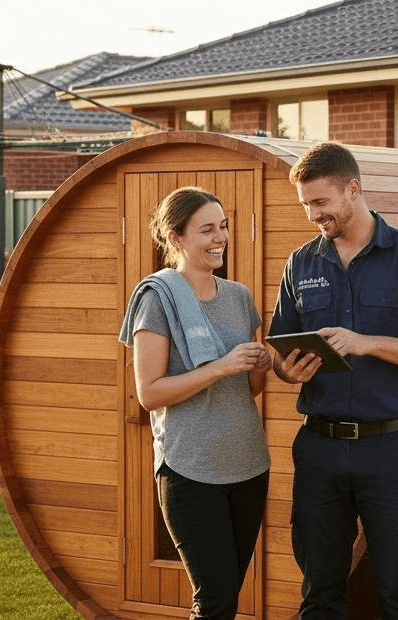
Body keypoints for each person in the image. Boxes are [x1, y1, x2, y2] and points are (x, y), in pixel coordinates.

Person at [269, 141, 398, 620]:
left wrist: (366, 342)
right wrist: (287, 370)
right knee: (319, 595)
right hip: (319, 449)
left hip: (392, 449)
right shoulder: (300, 264)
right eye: (306, 205)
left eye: (321, 202)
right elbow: (280, 356)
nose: (313, 214)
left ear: (352, 189)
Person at [119, 186, 272, 620]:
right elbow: (150, 393)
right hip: (190, 470)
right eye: (206, 230)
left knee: (227, 597)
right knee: (215, 600)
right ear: (176, 237)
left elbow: (247, 390)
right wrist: (221, 366)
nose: (220, 237)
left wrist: (259, 365)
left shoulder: (239, 296)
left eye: (223, 226)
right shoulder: (157, 298)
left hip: (247, 465)